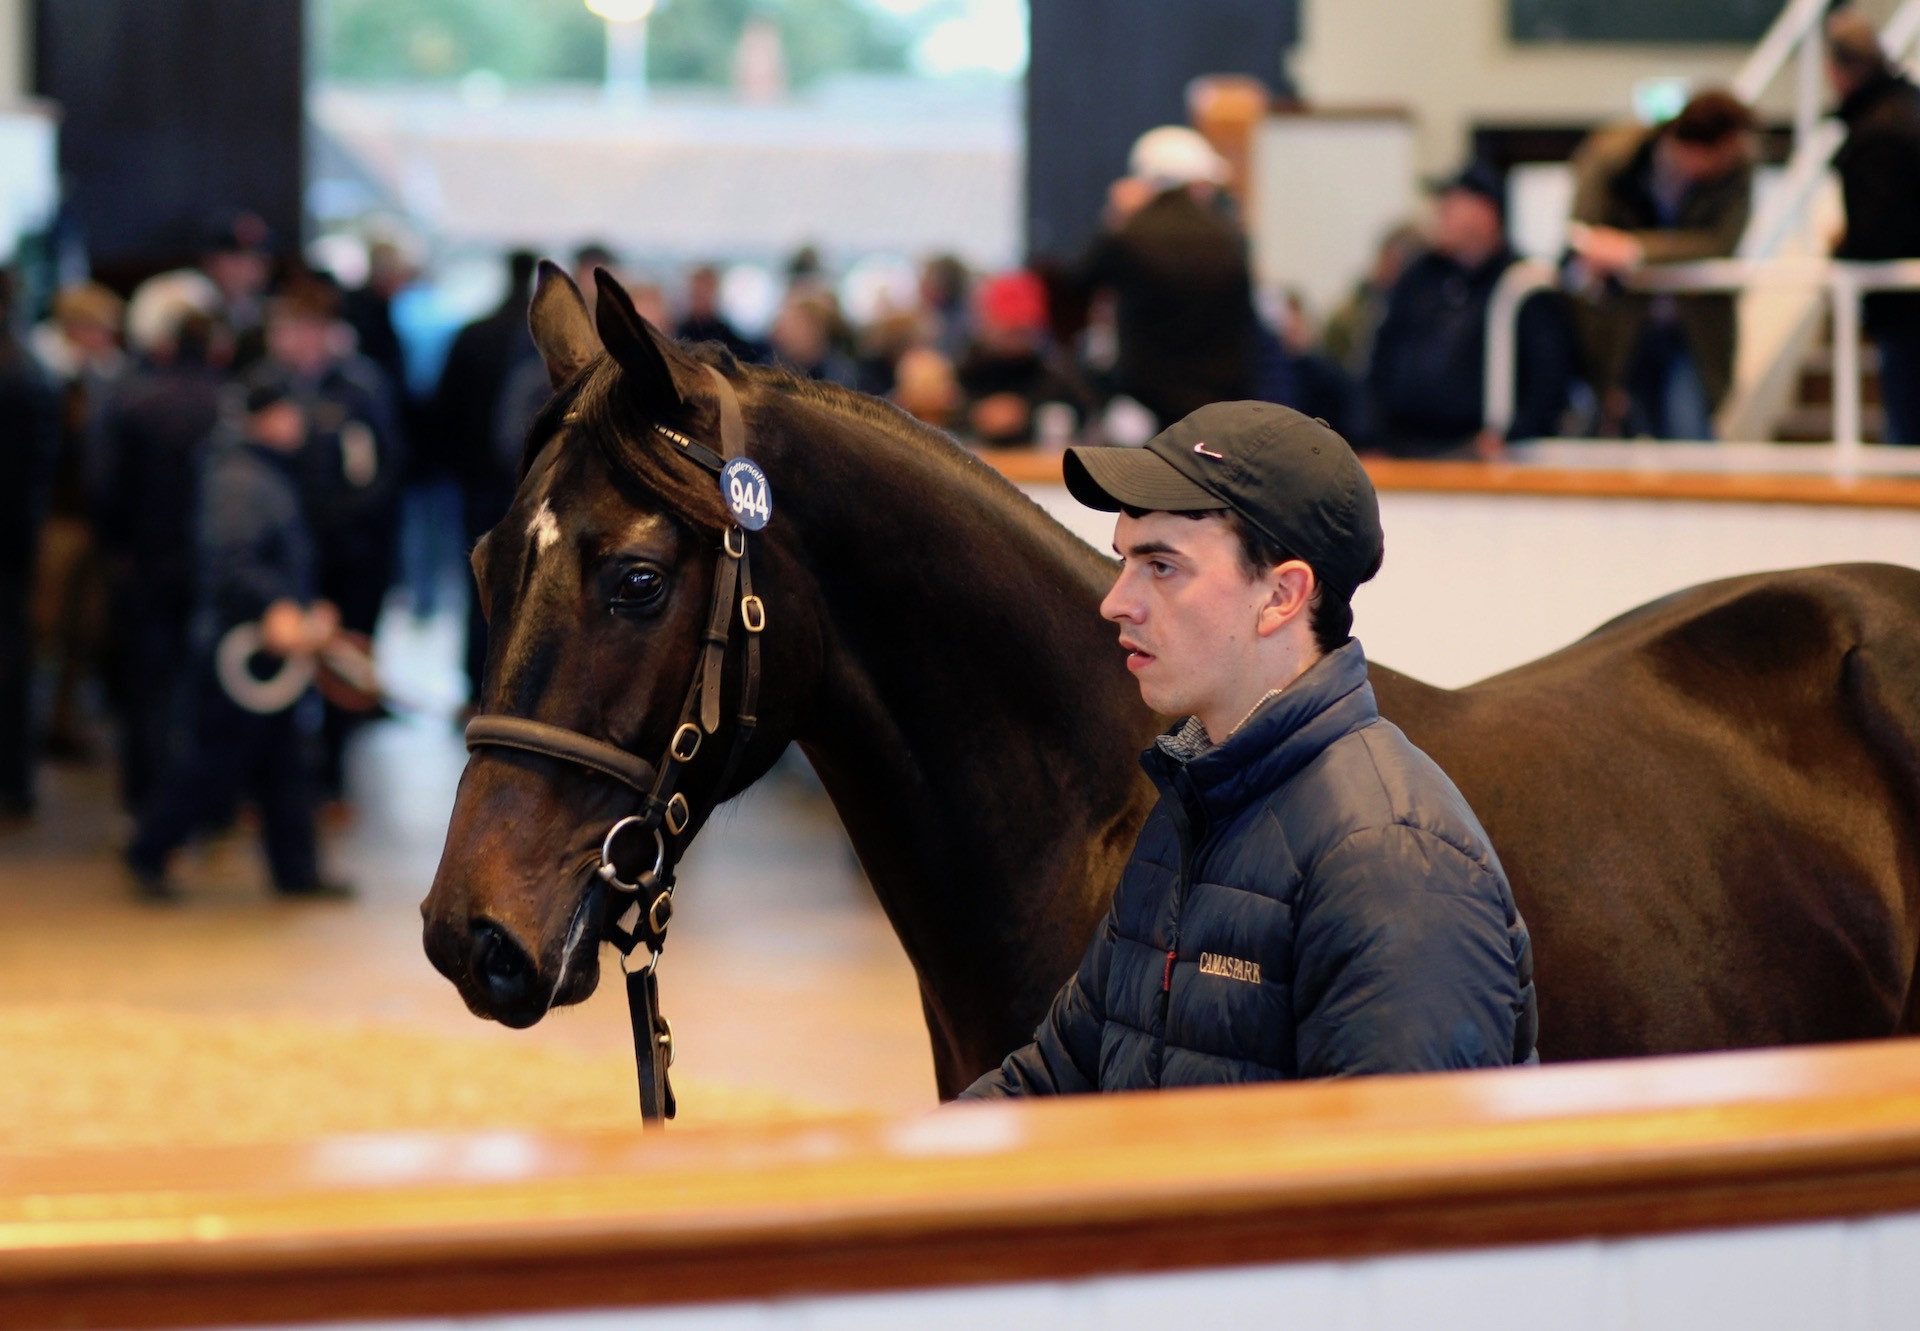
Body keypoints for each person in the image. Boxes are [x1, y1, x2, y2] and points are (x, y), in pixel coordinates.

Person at [961, 401, 1536, 1097]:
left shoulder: (1390, 856)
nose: (1116, 602)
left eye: (1162, 567)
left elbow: (1394, 1185)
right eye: (1124, 563)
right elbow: (1058, 1079)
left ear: (1282, 596)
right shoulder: (1196, 808)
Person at [125, 369, 349, 902]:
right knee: (217, 759)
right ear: (266, 419)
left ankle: (295, 869)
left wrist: (298, 606)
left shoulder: (257, 471)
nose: (298, 423)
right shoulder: (242, 478)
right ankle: (150, 848)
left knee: (282, 761)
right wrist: (277, 605)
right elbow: (233, 562)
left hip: (264, 648)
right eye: (289, 412)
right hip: (240, 646)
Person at [264, 276, 406, 808]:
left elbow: (384, 470)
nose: (296, 341)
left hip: (348, 558)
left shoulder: (361, 388)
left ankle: (332, 782)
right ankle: (275, 789)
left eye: (307, 330)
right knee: (279, 674)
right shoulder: (263, 387)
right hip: (280, 558)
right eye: (287, 330)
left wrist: (345, 527)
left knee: (343, 672)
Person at [91, 294, 230, 809]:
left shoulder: (132, 403)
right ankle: (201, 804)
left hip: (145, 562)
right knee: (204, 687)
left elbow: (104, 485)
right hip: (209, 566)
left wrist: (118, 547)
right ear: (215, 348)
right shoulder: (230, 406)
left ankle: (145, 798)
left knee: (147, 686)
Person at [1566, 90, 1756, 439]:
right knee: (1610, 433)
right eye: (1725, 154)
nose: (1732, 160)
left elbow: (1720, 242)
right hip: (1620, 323)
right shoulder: (1616, 157)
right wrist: (1601, 252)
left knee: (1689, 434)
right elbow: (1585, 237)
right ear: (1698, 149)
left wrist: (1633, 250)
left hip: (1692, 329)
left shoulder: (1735, 171)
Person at [1365, 163, 1578, 457]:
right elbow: (1381, 359)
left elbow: (1549, 381)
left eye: (1453, 201)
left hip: (1482, 454)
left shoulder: (1523, 285)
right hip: (1404, 448)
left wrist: (1513, 437)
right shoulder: (1418, 277)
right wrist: (1371, 435)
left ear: (1486, 211)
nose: (1441, 210)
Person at [1077, 125, 1258, 428]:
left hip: (1145, 400)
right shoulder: (1229, 238)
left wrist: (1116, 220)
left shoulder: (1130, 234)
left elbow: (1080, 287)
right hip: (1220, 403)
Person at [434, 250, 537, 708]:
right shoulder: (539, 341)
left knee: (479, 585)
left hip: (479, 486)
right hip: (528, 493)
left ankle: (477, 687)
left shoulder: (474, 334)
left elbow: (446, 409)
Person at [1826, 11, 1920, 445]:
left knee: (1907, 442)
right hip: (1902, 300)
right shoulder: (1906, 110)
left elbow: (1879, 231)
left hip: (1905, 307)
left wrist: (1842, 249)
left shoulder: (1878, 130)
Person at [0, 274, 61, 819]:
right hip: (19, 536)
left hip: (15, 536)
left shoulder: (25, 370)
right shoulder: (32, 369)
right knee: (16, 660)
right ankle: (15, 783)